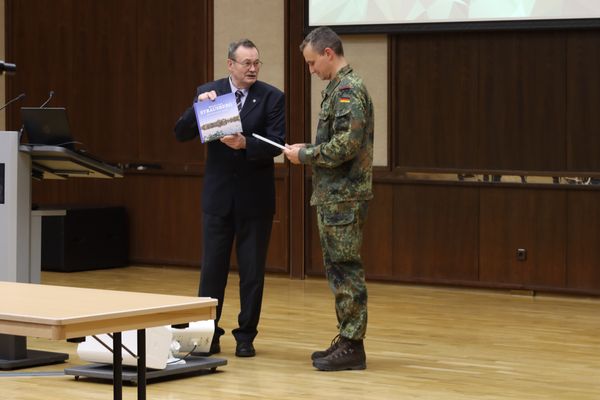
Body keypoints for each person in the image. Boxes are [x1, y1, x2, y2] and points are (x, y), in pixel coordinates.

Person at [174, 39, 285, 358]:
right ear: (230, 65)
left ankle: (246, 336)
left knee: (252, 273)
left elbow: (277, 144)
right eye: (246, 63)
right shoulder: (210, 91)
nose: (252, 69)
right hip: (219, 197)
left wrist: (245, 144)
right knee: (212, 270)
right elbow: (180, 133)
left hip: (255, 199)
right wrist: (196, 106)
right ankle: (205, 335)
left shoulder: (272, 97)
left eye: (256, 63)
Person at [283, 26, 374, 371]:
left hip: (344, 197)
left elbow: (346, 146)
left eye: (311, 63)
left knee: (346, 270)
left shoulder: (349, 90)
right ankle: (347, 338)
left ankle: (353, 346)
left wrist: (305, 154)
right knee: (337, 269)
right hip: (335, 196)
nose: (311, 71)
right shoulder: (337, 89)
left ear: (328, 54)